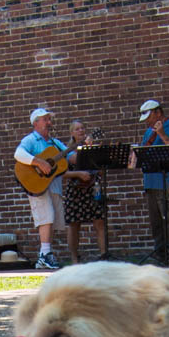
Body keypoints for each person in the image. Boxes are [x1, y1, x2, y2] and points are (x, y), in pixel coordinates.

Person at [13, 107, 67, 269]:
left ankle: (46, 254)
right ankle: (44, 254)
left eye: (49, 119)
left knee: (53, 219)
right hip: (37, 185)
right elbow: (18, 154)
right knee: (46, 216)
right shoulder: (30, 139)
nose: (49, 123)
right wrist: (39, 162)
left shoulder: (54, 143)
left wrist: (84, 146)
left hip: (53, 186)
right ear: (36, 123)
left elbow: (71, 158)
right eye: (45, 119)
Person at [133, 99, 169, 264]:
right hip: (151, 182)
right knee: (156, 223)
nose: (147, 122)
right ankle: (160, 256)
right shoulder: (148, 133)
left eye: (149, 117)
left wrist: (162, 134)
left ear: (157, 113)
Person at [61, 119, 108, 264]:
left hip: (92, 188)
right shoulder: (67, 150)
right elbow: (63, 171)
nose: (81, 131)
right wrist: (78, 174)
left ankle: (104, 255)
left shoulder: (92, 148)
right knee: (74, 224)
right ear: (71, 133)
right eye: (77, 129)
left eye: (83, 128)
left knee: (99, 221)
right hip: (74, 190)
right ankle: (75, 258)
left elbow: (100, 170)